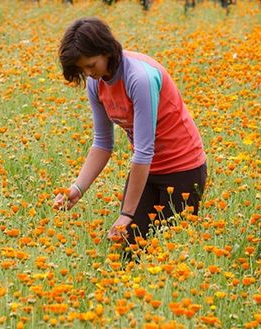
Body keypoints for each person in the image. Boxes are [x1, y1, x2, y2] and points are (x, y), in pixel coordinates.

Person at [54, 17, 207, 248]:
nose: (88, 73)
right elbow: (103, 143)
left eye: (91, 65)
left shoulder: (140, 78)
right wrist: (76, 189)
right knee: (127, 248)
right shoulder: (96, 83)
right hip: (147, 171)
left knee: (171, 249)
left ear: (106, 51)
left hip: (182, 169)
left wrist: (127, 214)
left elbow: (144, 151)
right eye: (82, 68)